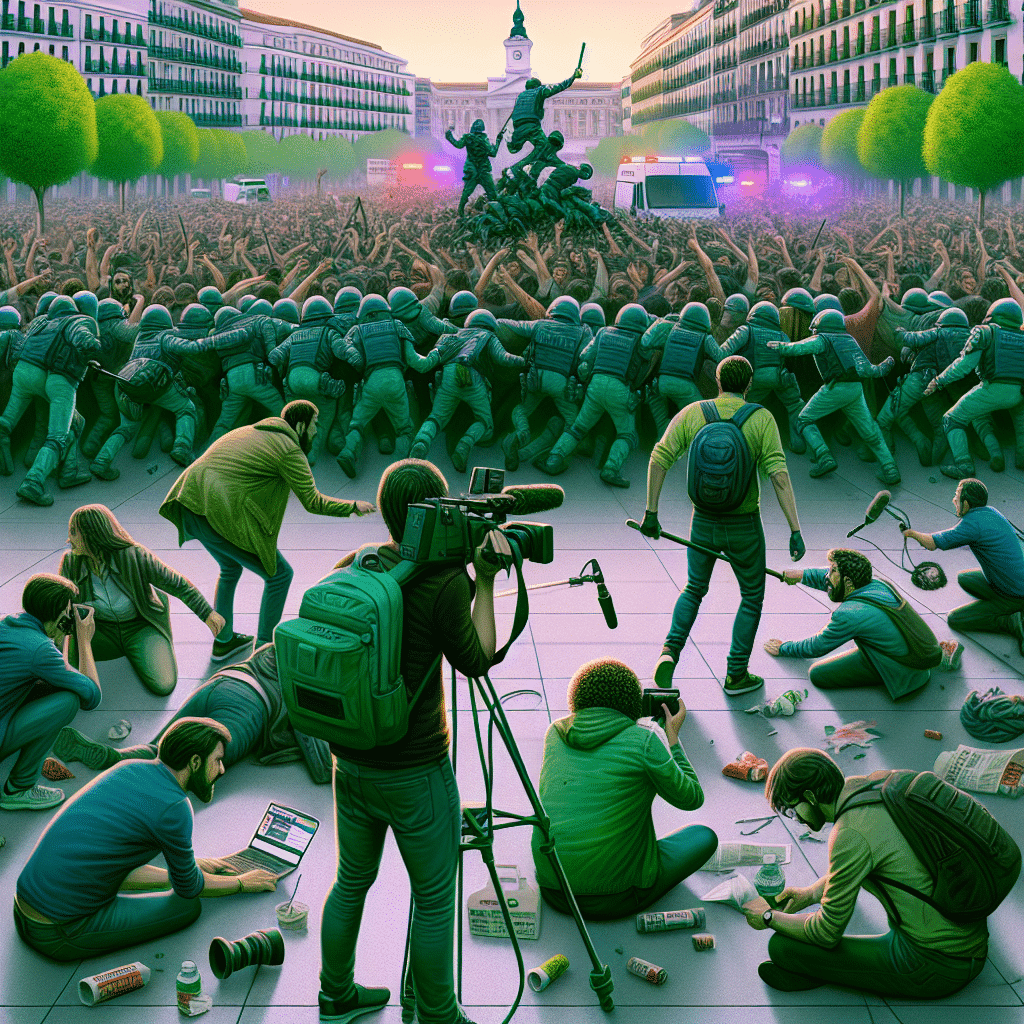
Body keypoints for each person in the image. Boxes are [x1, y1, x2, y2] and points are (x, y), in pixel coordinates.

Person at [318, 459, 504, 1024]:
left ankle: (336, 997)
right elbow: (478, 659)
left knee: (350, 881)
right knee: (434, 897)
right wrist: (488, 580)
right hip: (416, 770)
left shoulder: (362, 563)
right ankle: (440, 1017)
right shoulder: (446, 583)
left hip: (349, 763)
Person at [13, 717, 278, 962]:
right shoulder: (174, 806)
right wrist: (241, 883)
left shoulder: (131, 768)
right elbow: (189, 888)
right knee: (187, 908)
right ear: (195, 762)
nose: (222, 769)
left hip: (24, 905)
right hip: (59, 931)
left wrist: (193, 866)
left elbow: (110, 864)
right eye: (217, 760)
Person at [742, 748, 988, 998]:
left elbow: (825, 933)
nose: (796, 820)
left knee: (783, 948)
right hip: (968, 935)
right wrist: (810, 894)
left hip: (935, 964)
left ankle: (826, 972)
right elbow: (869, 859)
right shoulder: (874, 788)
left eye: (792, 811)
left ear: (810, 796)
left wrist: (768, 917)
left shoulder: (849, 833)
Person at [159, 399, 376, 660]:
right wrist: (353, 505)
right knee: (280, 575)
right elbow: (313, 501)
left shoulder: (248, 431)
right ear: (299, 425)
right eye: (315, 424)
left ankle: (224, 641)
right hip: (219, 511)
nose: (317, 431)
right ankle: (263, 650)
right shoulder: (288, 449)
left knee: (230, 568)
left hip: (191, 503)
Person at [641, 355, 803, 696]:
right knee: (752, 597)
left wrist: (651, 512)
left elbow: (659, 457)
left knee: (694, 589)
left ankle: (669, 651)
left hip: (702, 520)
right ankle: (736, 674)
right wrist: (795, 530)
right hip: (744, 524)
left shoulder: (694, 413)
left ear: (717, 381)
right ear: (749, 383)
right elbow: (779, 476)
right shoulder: (761, 418)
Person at [531, 657, 716, 921]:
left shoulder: (556, 733)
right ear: (634, 704)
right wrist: (672, 739)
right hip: (617, 898)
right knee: (703, 836)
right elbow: (692, 798)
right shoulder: (645, 740)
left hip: (554, 890)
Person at [54, 642, 331, 784]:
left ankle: (111, 755)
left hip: (223, 681)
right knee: (186, 766)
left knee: (161, 746)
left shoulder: (287, 642)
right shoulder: (318, 680)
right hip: (248, 708)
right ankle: (116, 770)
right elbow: (322, 768)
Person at [58, 504, 224, 697]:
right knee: (68, 679)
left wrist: (207, 613)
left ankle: (139, 649)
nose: (69, 539)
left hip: (139, 628)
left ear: (92, 533)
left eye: (73, 532)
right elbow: (61, 607)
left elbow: (175, 583)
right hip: (98, 631)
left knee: (164, 685)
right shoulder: (71, 562)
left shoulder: (134, 555)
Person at [763, 548, 938, 699]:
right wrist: (802, 575)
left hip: (904, 671)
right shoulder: (876, 584)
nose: (827, 575)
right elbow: (831, 582)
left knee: (818, 674)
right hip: (914, 655)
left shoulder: (850, 613)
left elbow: (816, 647)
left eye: (832, 571)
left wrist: (783, 648)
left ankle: (885, 675)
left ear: (847, 581)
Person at [0, 573, 101, 812]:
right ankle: (19, 789)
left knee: (48, 686)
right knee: (68, 701)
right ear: (55, 614)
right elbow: (92, 695)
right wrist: (84, 640)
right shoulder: (39, 650)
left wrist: (57, 634)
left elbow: (55, 670)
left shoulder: (9, 624)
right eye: (66, 613)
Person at [768, 308, 899, 481]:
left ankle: (824, 456)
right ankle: (890, 469)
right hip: (855, 389)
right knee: (870, 431)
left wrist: (778, 346)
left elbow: (798, 348)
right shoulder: (849, 340)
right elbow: (868, 370)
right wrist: (885, 365)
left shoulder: (822, 339)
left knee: (803, 419)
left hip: (834, 388)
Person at [904, 477, 1024, 653]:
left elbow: (932, 543)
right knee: (964, 578)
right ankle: (1001, 604)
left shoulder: (972, 525)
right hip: (1016, 580)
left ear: (966, 504)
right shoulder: (990, 511)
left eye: (957, 496)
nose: (954, 500)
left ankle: (1013, 622)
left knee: (955, 619)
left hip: (1014, 593)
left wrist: (911, 533)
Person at [409, 309, 524, 472]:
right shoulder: (488, 336)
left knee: (436, 417)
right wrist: (523, 360)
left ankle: (421, 442)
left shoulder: (451, 334)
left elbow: (432, 359)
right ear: (490, 325)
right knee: (485, 422)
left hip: (449, 373)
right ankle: (464, 447)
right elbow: (503, 357)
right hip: (474, 378)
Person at [923, 297, 1024, 480]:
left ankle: (964, 466)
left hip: (992, 389)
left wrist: (938, 381)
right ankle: (1021, 458)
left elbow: (964, 366)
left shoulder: (985, 332)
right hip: (1019, 393)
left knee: (951, 419)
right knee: (1020, 422)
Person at [506, 65, 582, 179]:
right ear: (537, 86)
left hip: (516, 129)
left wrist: (506, 138)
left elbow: (511, 117)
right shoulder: (540, 91)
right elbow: (559, 86)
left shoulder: (520, 97)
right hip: (532, 126)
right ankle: (517, 168)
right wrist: (573, 77)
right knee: (543, 148)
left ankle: (520, 169)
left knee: (516, 149)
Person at [446, 119, 505, 219]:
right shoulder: (484, 139)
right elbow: (493, 153)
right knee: (492, 195)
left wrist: (449, 135)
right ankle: (497, 216)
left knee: (466, 193)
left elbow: (458, 145)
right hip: (483, 171)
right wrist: (498, 141)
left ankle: (461, 213)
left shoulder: (468, 137)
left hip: (472, 171)